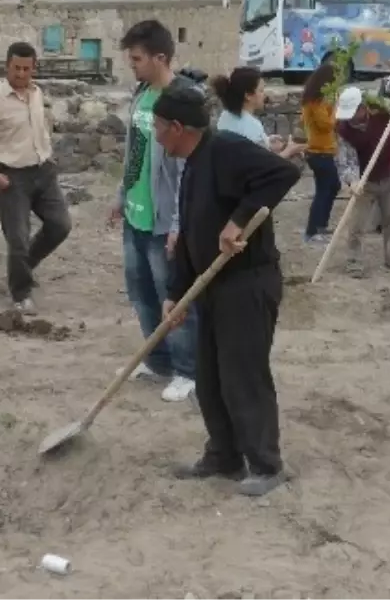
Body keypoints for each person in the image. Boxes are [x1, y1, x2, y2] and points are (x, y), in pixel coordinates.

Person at [153, 85, 301, 498]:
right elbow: (189, 236)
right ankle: (224, 455)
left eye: (159, 127)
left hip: (248, 284)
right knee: (210, 376)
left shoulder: (226, 149)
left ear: (178, 127)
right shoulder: (193, 165)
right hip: (211, 287)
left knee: (243, 375)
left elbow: (284, 172)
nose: (158, 135)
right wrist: (175, 290)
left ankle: (267, 464)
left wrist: (239, 219)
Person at [107, 20, 200, 402]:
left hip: (166, 224)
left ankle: (187, 370)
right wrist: (120, 195)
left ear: (160, 57)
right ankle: (158, 360)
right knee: (141, 292)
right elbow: (135, 151)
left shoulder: (183, 101)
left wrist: (180, 222)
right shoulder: (142, 93)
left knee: (172, 298)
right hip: (136, 215)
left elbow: (187, 170)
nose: (133, 65)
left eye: (138, 59)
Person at [0, 42, 72, 314]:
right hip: (12, 178)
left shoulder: (37, 94)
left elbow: (41, 129)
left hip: (43, 171)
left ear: (33, 68)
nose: (22, 74)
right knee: (18, 238)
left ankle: (24, 268)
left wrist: (47, 156)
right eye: (17, 68)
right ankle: (20, 293)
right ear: (7, 66)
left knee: (60, 225)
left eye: (27, 69)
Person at [335, 85, 390, 275]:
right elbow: (345, 160)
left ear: (363, 107)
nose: (350, 118)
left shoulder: (382, 109)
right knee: (357, 224)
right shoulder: (343, 130)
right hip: (365, 181)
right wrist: (352, 182)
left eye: (353, 113)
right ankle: (354, 262)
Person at [212, 66, 306, 158]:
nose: (264, 94)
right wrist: (289, 151)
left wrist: (267, 141)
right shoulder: (251, 126)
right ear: (248, 95)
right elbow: (263, 165)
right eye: (261, 90)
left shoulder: (225, 115)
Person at [300, 64, 340, 245]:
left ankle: (320, 225)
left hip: (325, 151)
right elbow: (326, 124)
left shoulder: (320, 101)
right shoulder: (315, 103)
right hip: (318, 152)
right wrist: (336, 108)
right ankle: (313, 230)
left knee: (332, 187)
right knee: (324, 190)